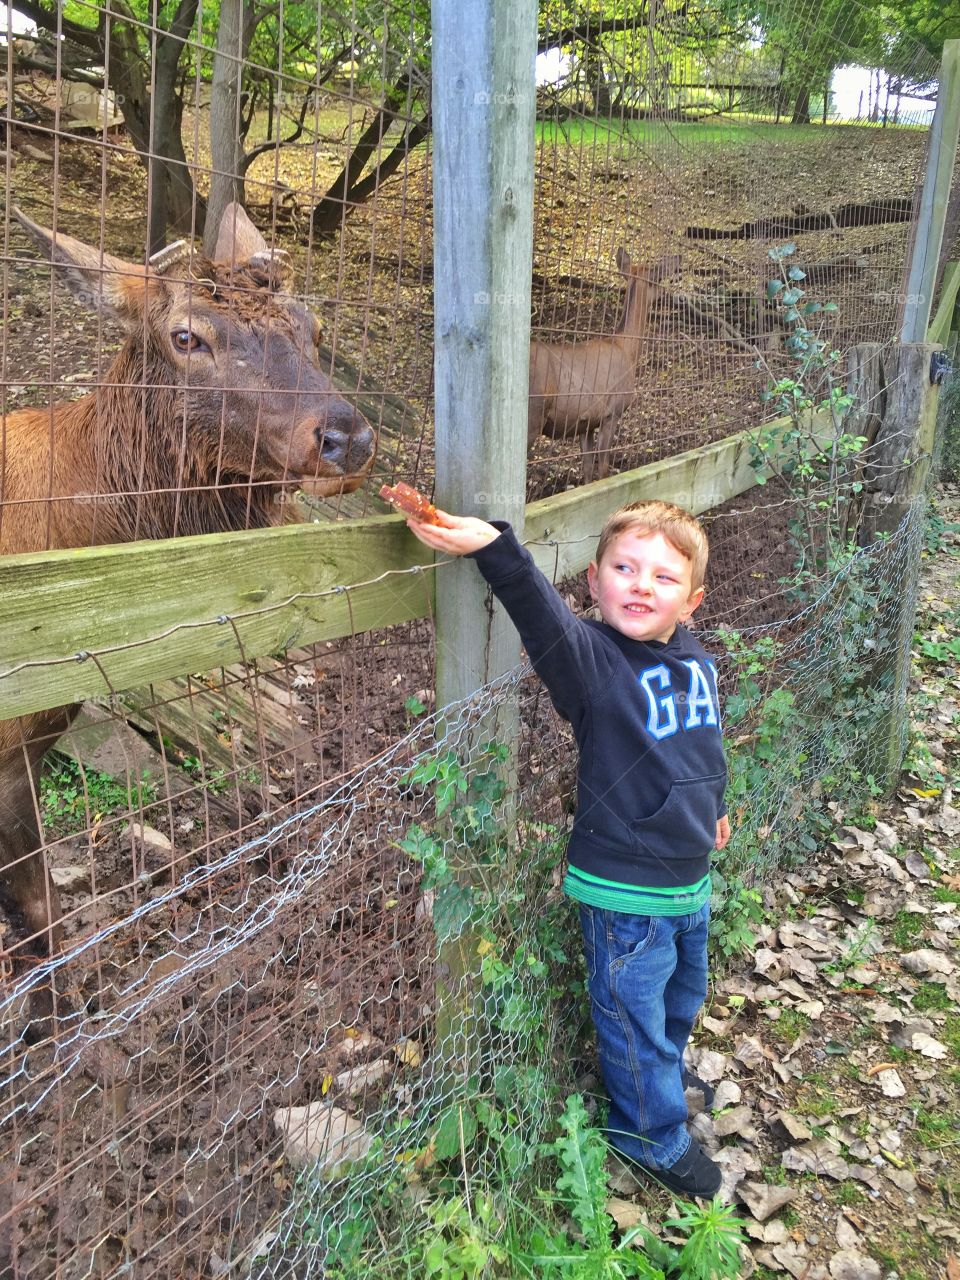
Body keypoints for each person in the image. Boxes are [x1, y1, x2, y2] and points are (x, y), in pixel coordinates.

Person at [406, 498, 730, 1200]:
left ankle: (661, 1078)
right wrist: (494, 546)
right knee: (635, 1013)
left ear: (693, 602)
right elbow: (539, 614)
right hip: (625, 891)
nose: (641, 585)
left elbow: (700, 745)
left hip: (688, 879)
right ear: (593, 580)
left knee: (681, 997)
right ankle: (649, 1135)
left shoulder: (692, 658)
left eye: (663, 578)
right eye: (624, 568)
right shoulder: (593, 662)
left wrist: (715, 808)